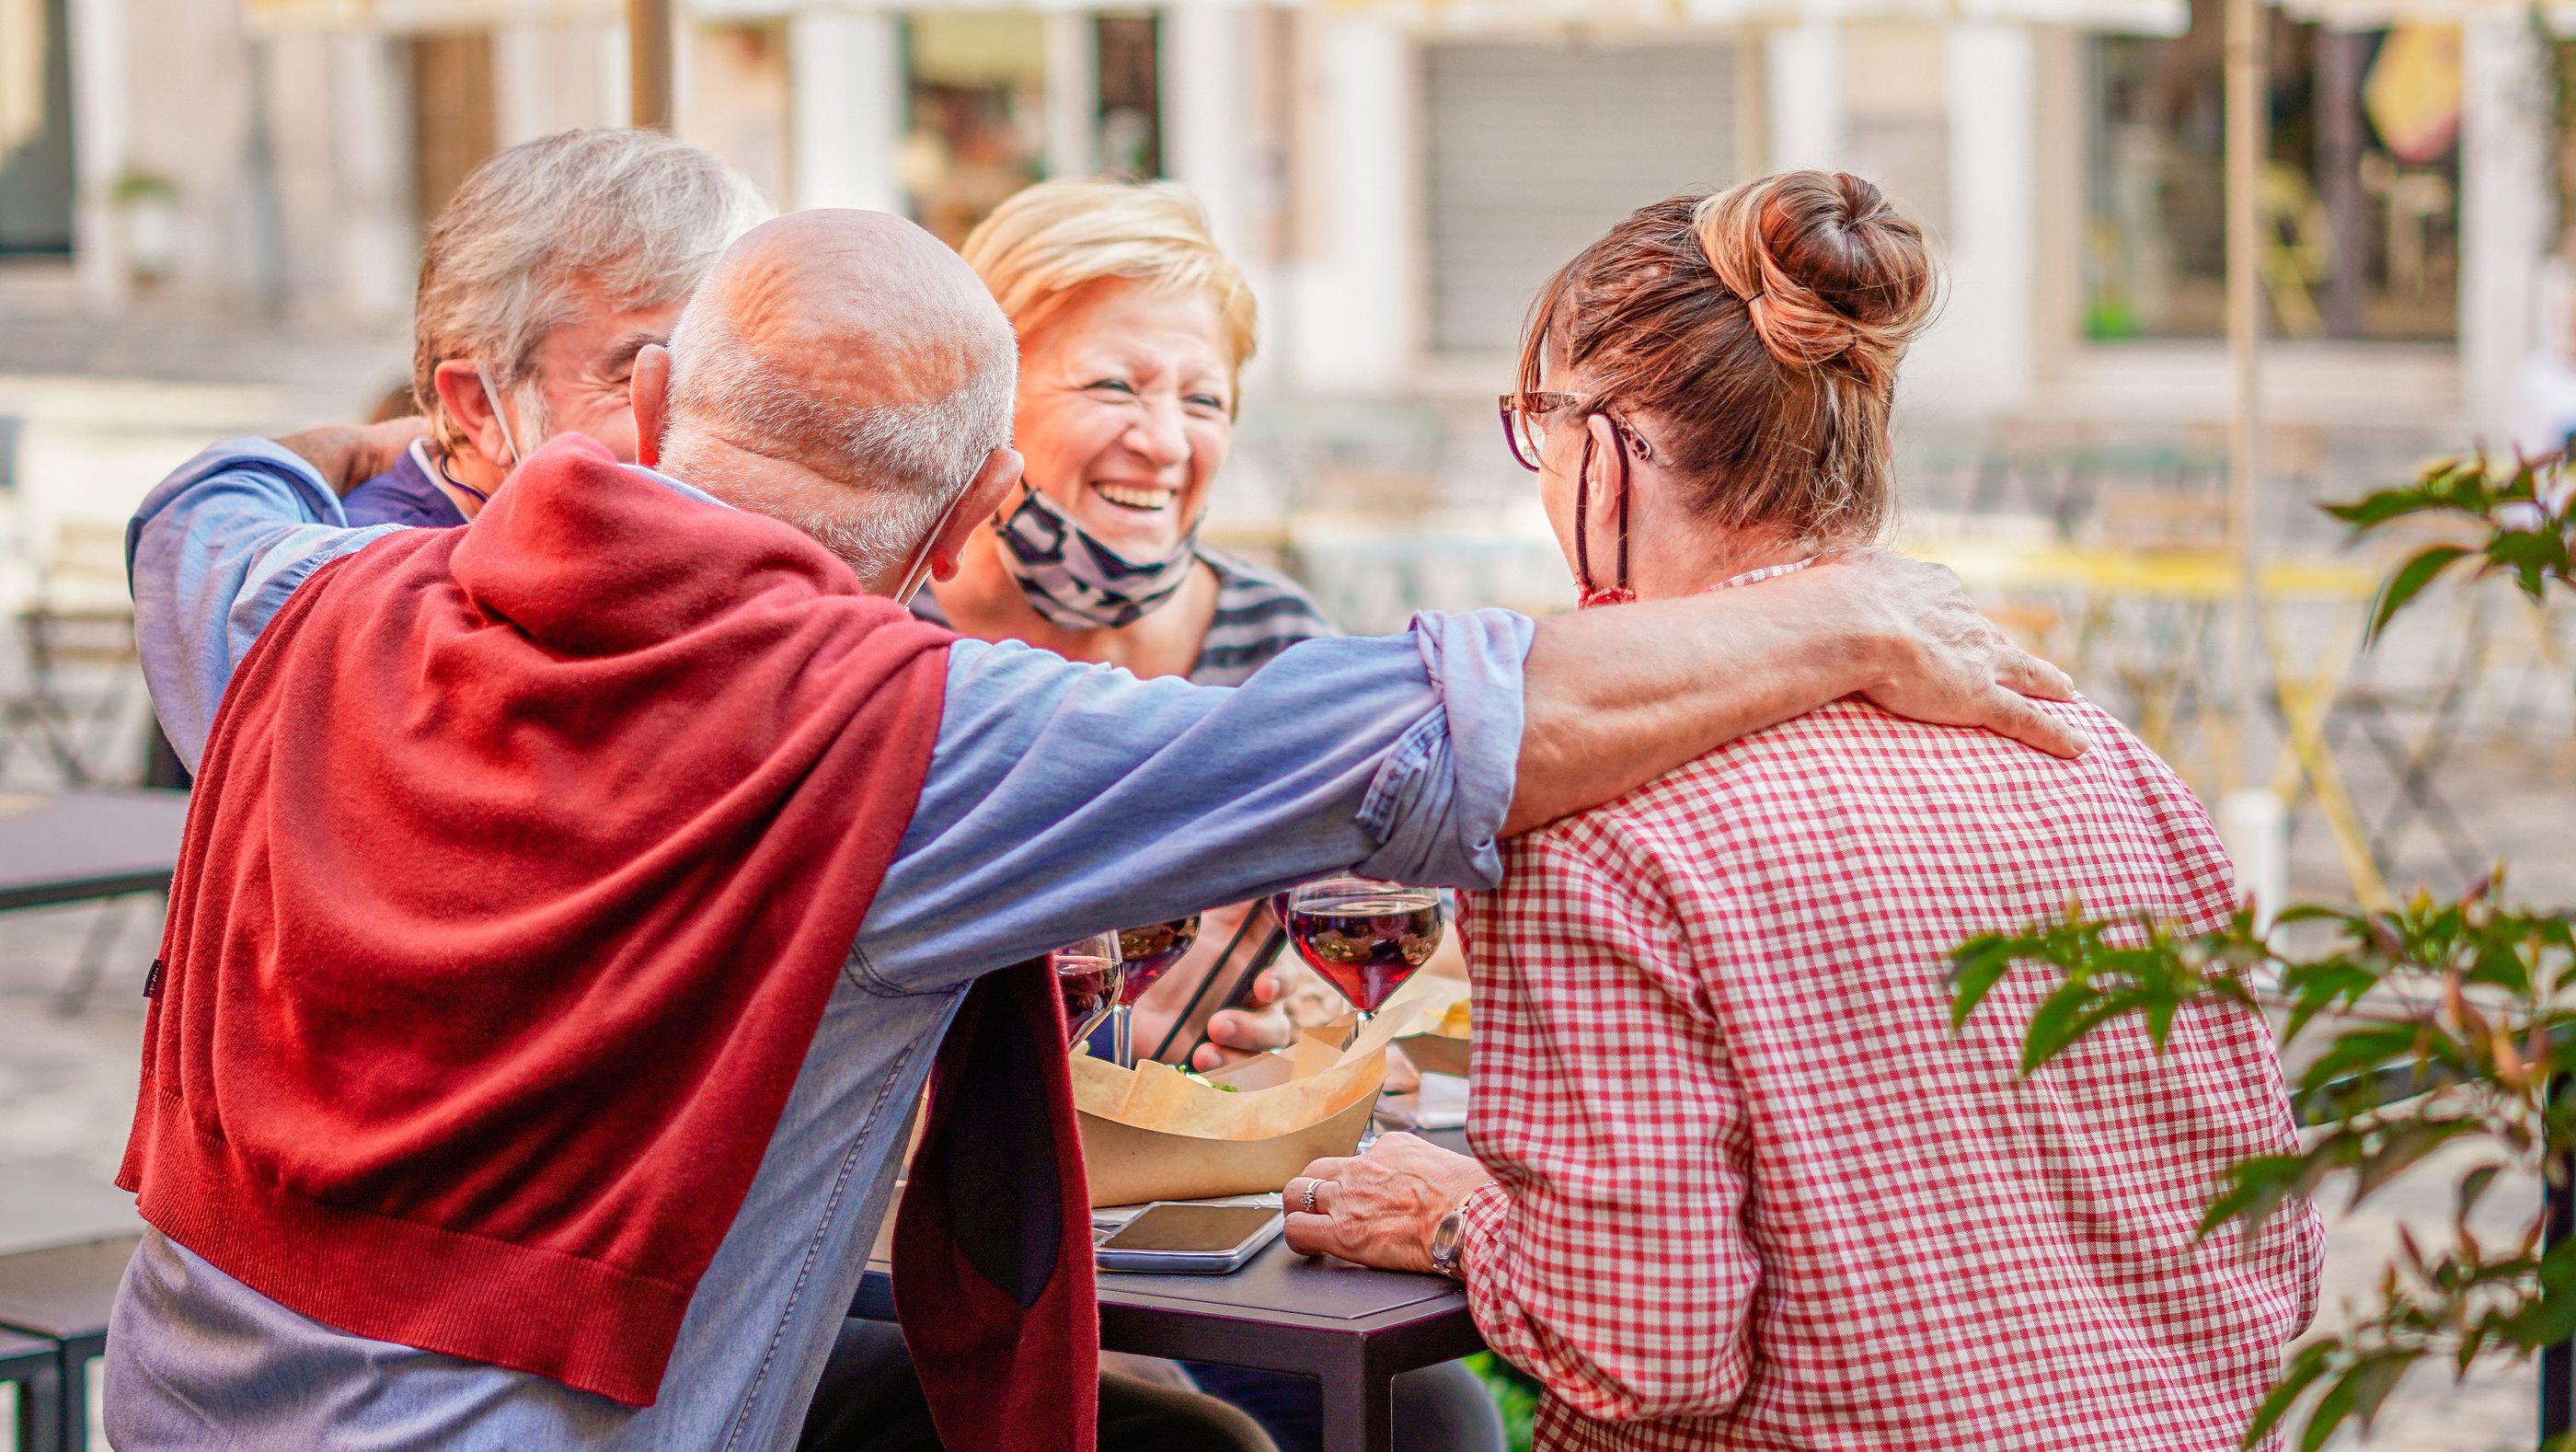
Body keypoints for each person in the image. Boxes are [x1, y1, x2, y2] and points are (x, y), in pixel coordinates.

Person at [112, 205, 2082, 1452]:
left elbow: (194, 508)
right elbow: (1442, 732)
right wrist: (1839, 607)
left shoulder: (297, 614)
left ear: (645, 429)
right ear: (970, 509)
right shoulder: (903, 742)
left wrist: (360, 454)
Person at [1280, 172, 2324, 1451]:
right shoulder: (2102, 755)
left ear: (1604, 449)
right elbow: (2267, 1243)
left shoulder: (1598, 812)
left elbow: (1644, 1343)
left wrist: (1459, 1218)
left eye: (1537, 423)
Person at [926, 177, 1330, 1072]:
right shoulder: (875, 631)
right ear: (983, 397)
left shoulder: (1279, 651)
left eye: (1203, 401)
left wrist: (1289, 1025)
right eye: (1115, 386)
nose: (1166, 443)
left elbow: (1383, 951)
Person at [339, 128, 770, 528]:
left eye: (733, 365)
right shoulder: (380, 581)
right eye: (636, 376)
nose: (728, 419)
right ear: (483, 406)